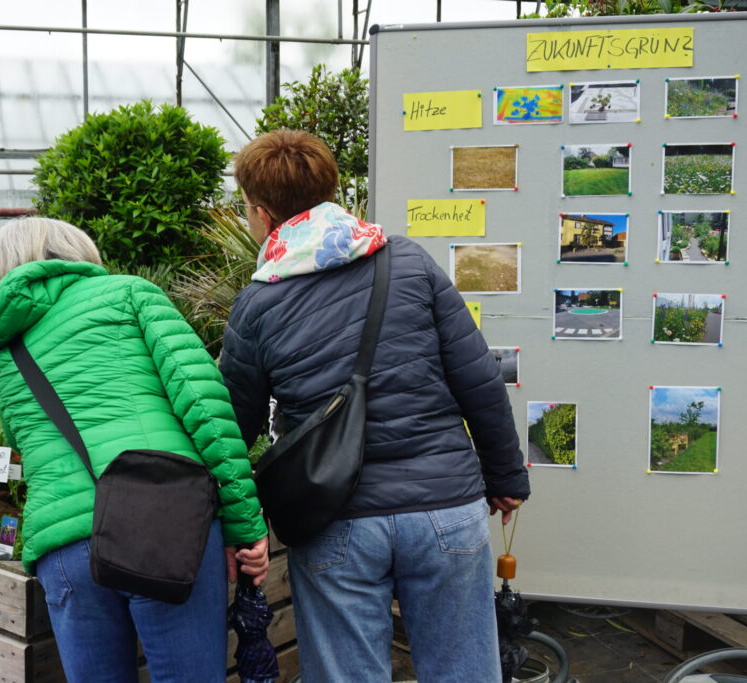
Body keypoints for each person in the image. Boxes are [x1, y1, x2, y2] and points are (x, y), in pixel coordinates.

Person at [220, 130, 529, 682]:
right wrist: (506, 475)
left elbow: (233, 428)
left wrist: (232, 523)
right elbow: (478, 376)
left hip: (335, 517)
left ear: (263, 215)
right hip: (445, 507)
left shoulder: (257, 304)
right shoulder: (407, 262)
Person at [0, 217, 269, 683]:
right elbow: (206, 410)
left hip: (63, 545)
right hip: (162, 521)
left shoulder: (5, 352)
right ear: (77, 250)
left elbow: (21, 441)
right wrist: (244, 525)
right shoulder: (129, 295)